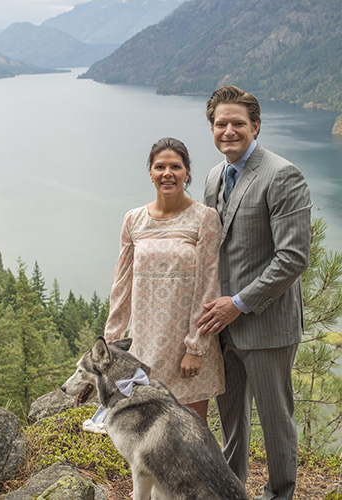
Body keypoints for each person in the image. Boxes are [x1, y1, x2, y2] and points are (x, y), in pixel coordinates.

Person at [198, 85, 312, 500]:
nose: (229, 131)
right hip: (222, 325)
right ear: (212, 128)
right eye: (220, 124)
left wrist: (239, 304)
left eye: (238, 123)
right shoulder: (213, 176)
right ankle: (232, 490)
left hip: (266, 323)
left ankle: (280, 494)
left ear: (256, 126)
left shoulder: (282, 174)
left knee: (276, 419)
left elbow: (293, 257)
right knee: (232, 420)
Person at [104, 137, 225, 422]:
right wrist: (111, 345)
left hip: (187, 346)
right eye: (160, 167)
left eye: (175, 167)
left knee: (193, 433)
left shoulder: (204, 218)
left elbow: (209, 284)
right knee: (148, 431)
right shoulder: (133, 220)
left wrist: (195, 347)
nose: (167, 173)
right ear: (150, 173)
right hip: (144, 347)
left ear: (186, 173)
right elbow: (122, 285)